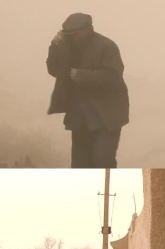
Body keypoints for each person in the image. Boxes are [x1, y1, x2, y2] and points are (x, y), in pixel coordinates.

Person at [46, 12, 129, 168]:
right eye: (70, 35)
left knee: (103, 160)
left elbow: (113, 76)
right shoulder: (66, 46)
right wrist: (54, 45)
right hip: (79, 116)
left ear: (89, 29)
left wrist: (80, 75)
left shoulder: (107, 46)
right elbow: (53, 69)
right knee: (79, 163)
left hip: (106, 116)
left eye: (76, 34)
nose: (74, 38)